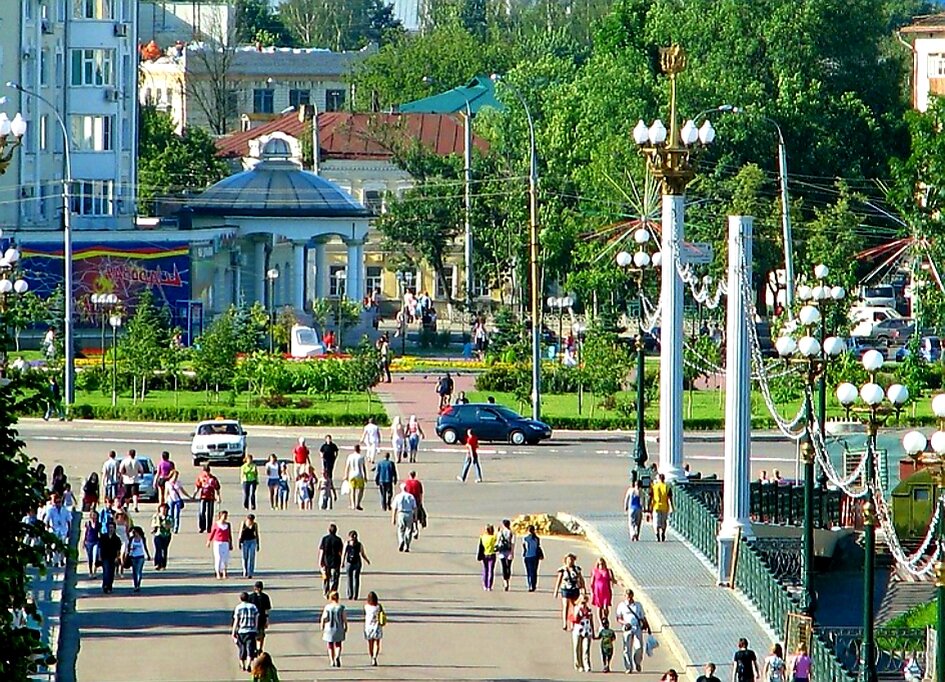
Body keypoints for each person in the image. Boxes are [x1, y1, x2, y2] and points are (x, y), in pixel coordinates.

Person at [615, 588, 650, 674]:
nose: (629, 598)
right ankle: (628, 667)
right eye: (627, 596)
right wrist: (625, 623)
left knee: (639, 647)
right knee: (627, 648)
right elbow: (618, 618)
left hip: (637, 627)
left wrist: (647, 626)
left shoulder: (638, 605)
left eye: (630, 596)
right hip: (627, 628)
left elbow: (642, 617)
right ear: (625, 596)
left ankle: (637, 662)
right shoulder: (621, 605)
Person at [552, 553, 585, 629]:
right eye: (569, 560)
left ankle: (573, 622)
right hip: (565, 589)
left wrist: (583, 589)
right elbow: (559, 580)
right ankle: (565, 623)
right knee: (566, 606)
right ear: (566, 560)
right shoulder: (562, 570)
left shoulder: (577, 569)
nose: (570, 561)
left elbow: (581, 579)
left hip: (575, 589)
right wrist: (556, 590)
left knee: (574, 607)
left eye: (572, 559)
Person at [231, 592, 260, 672]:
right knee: (250, 648)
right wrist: (256, 628)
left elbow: (236, 620)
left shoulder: (238, 607)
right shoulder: (253, 607)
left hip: (241, 631)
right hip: (251, 630)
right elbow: (256, 618)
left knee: (242, 648)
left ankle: (242, 664)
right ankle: (248, 664)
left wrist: (233, 631)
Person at [320, 590, 348, 668]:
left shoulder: (327, 607)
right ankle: (337, 656)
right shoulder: (341, 607)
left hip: (329, 628)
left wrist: (322, 625)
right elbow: (344, 618)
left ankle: (332, 660)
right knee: (338, 644)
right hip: (339, 627)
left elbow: (324, 617)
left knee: (330, 645)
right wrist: (346, 625)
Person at [194, 464, 222, 533]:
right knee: (201, 512)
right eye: (205, 471)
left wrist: (218, 497)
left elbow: (217, 488)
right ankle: (202, 527)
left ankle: (209, 527)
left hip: (211, 497)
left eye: (208, 471)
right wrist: (194, 495)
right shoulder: (201, 477)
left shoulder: (213, 479)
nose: (207, 473)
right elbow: (198, 487)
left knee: (210, 513)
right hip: (203, 497)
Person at [571, 594, 595, 672]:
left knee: (586, 649)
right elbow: (573, 619)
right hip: (578, 630)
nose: (584, 604)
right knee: (577, 648)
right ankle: (579, 665)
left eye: (585, 602)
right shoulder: (576, 609)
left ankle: (586, 665)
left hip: (587, 631)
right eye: (582, 602)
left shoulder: (589, 610)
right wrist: (578, 613)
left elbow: (591, 621)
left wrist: (593, 632)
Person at [343, 529, 370, 600]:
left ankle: (355, 595)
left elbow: (362, 553)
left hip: (356, 563)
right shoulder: (347, 543)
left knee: (356, 578)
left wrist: (366, 560)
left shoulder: (359, 544)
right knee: (350, 578)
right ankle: (350, 594)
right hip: (349, 562)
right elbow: (344, 553)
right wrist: (342, 562)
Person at [318, 524, 344, 597]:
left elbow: (322, 550)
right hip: (336, 561)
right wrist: (342, 561)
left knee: (326, 577)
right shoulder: (338, 540)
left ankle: (326, 591)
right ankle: (333, 591)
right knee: (335, 577)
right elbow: (340, 552)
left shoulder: (325, 539)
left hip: (326, 561)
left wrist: (320, 561)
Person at [207, 510, 234, 579]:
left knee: (225, 558)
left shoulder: (228, 525)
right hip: (217, 543)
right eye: (224, 516)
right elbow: (212, 533)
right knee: (218, 557)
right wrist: (209, 541)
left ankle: (224, 572)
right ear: (220, 516)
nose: (225, 517)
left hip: (225, 543)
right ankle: (218, 573)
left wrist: (231, 543)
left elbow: (229, 534)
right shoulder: (216, 524)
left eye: (226, 516)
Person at [391, 482, 417, 552]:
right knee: (409, 530)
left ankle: (401, 540)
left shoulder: (398, 496)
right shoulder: (411, 496)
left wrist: (393, 518)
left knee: (401, 529)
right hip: (409, 513)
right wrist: (415, 517)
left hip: (401, 514)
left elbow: (394, 508)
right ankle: (407, 546)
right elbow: (415, 507)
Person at [247, 580, 272, 652]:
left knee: (255, 634)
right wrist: (267, 620)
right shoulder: (265, 597)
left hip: (253, 619)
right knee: (260, 635)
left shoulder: (251, 597)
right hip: (261, 618)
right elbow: (267, 610)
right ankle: (259, 648)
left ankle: (257, 648)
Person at [99, 521, 122, 593]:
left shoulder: (117, 539)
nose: (111, 529)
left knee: (111, 573)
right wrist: (99, 556)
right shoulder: (103, 537)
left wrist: (117, 557)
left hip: (113, 557)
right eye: (109, 527)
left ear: (114, 528)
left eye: (112, 527)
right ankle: (105, 585)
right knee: (106, 571)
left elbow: (118, 549)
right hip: (105, 557)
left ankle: (109, 586)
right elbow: (100, 547)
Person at [363, 591, 385, 667]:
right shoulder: (378, 606)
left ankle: (372, 656)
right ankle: (375, 657)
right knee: (377, 642)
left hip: (368, 627)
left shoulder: (366, 606)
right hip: (377, 626)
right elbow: (382, 613)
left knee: (370, 643)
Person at [650, 473, 673, 542]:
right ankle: (663, 533)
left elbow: (651, 497)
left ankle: (657, 534)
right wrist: (672, 506)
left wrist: (649, 507)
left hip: (656, 506)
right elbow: (670, 498)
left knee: (656, 522)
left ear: (659, 479)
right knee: (664, 522)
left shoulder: (654, 486)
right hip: (665, 507)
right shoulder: (667, 487)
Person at [343, 445, 367, 511]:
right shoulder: (361, 457)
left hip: (352, 475)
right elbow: (363, 467)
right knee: (361, 489)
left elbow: (347, 466)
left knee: (352, 490)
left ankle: (353, 504)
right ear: (359, 449)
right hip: (359, 475)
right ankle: (358, 504)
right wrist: (365, 476)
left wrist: (346, 475)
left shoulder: (350, 456)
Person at [127, 525, 150, 592]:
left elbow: (145, 547)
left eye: (135, 532)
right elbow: (129, 547)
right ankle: (135, 585)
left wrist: (148, 555)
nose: (134, 533)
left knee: (139, 571)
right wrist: (131, 550)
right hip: (133, 557)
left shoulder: (142, 539)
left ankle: (138, 585)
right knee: (134, 572)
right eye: (133, 532)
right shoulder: (131, 539)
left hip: (141, 556)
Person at [150, 503, 173, 570]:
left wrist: (163, 523)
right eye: (162, 509)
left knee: (164, 550)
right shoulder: (156, 516)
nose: (163, 510)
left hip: (166, 535)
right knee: (158, 549)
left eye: (165, 509)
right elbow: (153, 524)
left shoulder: (169, 517)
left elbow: (170, 525)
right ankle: (157, 564)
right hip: (158, 534)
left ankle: (163, 565)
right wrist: (157, 525)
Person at [521, 524, 543, 591]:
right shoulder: (537, 538)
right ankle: (534, 585)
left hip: (528, 556)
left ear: (528, 530)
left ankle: (530, 585)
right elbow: (538, 547)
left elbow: (524, 548)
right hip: (535, 556)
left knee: (529, 571)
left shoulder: (525, 538)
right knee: (534, 571)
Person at [404, 470, 425, 538]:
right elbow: (421, 493)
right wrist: (421, 501)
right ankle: (416, 528)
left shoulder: (406, 482)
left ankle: (411, 529)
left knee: (410, 516)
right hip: (416, 501)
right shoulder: (418, 483)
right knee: (417, 516)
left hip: (409, 502)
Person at [239, 514, 261, 578]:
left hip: (252, 541)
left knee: (251, 557)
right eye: (249, 519)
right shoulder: (243, 523)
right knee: (245, 557)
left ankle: (250, 572)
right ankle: (245, 570)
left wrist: (258, 544)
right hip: (245, 541)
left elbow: (256, 534)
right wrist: (239, 542)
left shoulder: (255, 525)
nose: (250, 521)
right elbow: (240, 533)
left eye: (251, 520)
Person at [496, 518, 515, 591]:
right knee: (509, 567)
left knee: (504, 567)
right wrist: (512, 552)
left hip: (502, 551)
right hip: (509, 551)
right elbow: (513, 543)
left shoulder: (501, 532)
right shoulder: (511, 533)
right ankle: (508, 580)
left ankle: (505, 582)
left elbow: (497, 542)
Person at [477, 524, 498, 591]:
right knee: (491, 570)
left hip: (484, 555)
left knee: (485, 570)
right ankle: (489, 586)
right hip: (492, 554)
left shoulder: (483, 537)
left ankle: (485, 585)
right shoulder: (493, 537)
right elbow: (497, 539)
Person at [82, 511, 100, 577]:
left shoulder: (98, 524)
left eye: (95, 515)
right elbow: (85, 533)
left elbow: (100, 533)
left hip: (96, 541)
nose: (93, 517)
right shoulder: (87, 523)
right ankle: (90, 571)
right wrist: (83, 542)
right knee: (90, 558)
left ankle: (94, 571)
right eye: (92, 515)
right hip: (88, 542)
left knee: (95, 557)